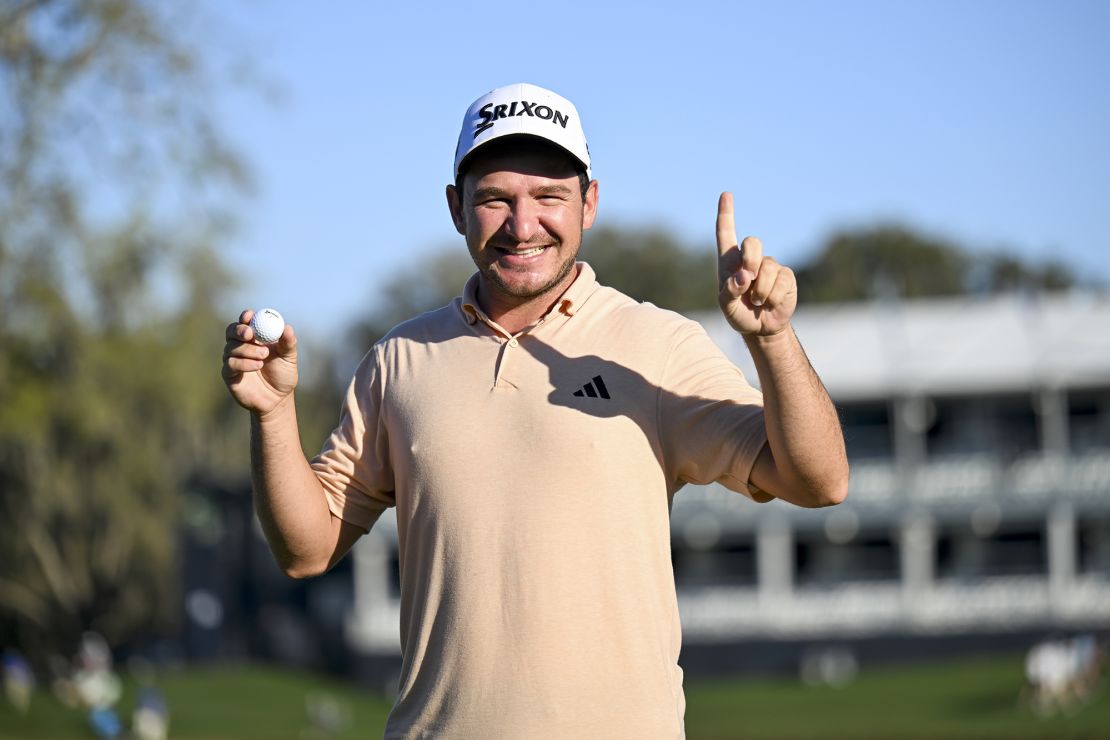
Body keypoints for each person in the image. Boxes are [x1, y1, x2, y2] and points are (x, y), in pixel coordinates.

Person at [221, 82, 848, 738]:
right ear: (456, 208)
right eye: (495, 198)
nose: (523, 226)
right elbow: (305, 550)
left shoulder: (655, 344)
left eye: (549, 196)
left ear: (590, 203)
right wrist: (272, 414)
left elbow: (819, 480)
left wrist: (771, 342)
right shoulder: (400, 358)